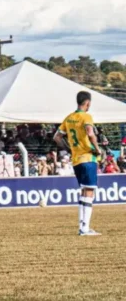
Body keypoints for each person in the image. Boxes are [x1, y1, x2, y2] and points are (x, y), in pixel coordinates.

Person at [54, 91, 102, 236]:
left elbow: (57, 138)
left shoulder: (69, 118)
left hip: (76, 160)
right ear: (87, 102)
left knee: (83, 191)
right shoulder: (86, 116)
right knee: (89, 192)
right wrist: (97, 149)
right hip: (88, 158)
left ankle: (83, 226)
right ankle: (85, 229)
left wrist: (69, 149)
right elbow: (90, 132)